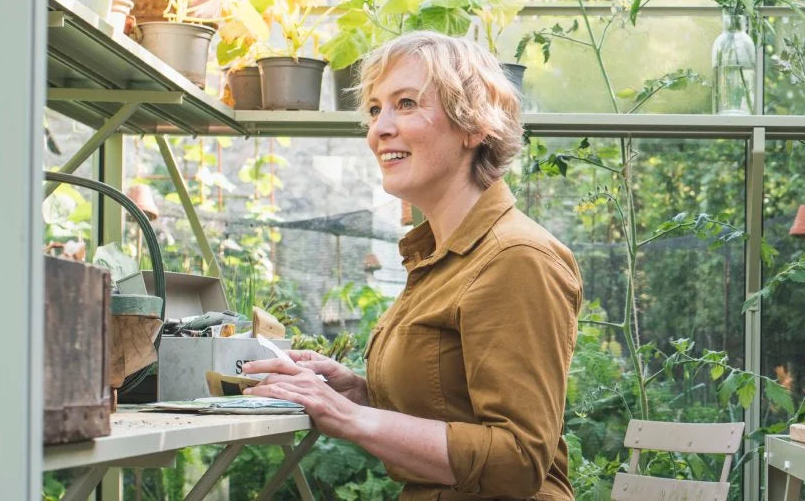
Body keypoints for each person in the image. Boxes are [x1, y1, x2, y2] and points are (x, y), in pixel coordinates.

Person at [243, 31, 582, 500]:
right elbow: (449, 409)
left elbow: (519, 460)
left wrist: (353, 419)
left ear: (474, 125)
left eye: (406, 103)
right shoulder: (438, 257)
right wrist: (356, 393)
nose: (379, 128)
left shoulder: (515, 258)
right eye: (375, 109)